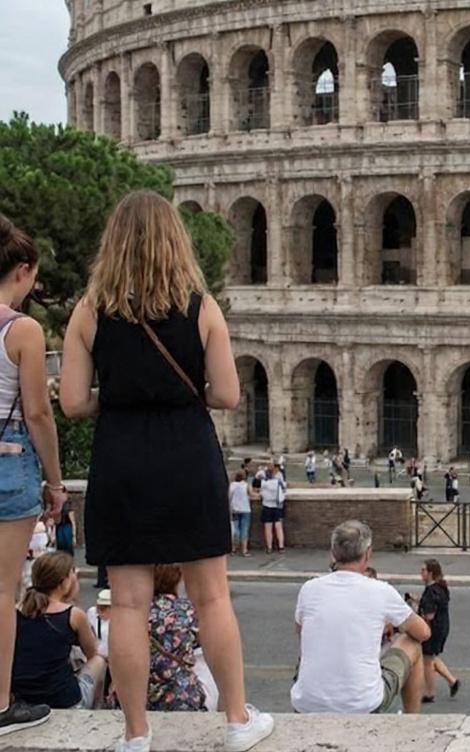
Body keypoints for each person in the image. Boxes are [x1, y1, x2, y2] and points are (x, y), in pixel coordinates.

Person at [58, 191, 273, 752]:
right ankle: (235, 720)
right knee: (212, 598)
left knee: (127, 604)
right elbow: (226, 394)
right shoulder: (202, 307)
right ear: (175, 242)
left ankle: (135, 734)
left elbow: (75, 401)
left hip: (122, 456)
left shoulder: (88, 309)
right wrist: (174, 393)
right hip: (187, 453)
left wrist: (125, 396)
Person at [0, 214, 65, 735]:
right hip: (8, 460)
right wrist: (55, 480)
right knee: (2, 590)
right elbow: (40, 413)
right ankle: (1, 704)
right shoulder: (20, 328)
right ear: (21, 270)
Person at [292, 520, 430, 714]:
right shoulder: (381, 591)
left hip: (307, 702)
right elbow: (423, 633)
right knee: (412, 643)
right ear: (367, 555)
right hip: (362, 703)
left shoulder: (309, 589)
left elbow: (300, 631)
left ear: (333, 553)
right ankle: (411, 721)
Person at [13, 552, 106, 711]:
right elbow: (91, 653)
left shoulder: (17, 611)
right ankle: (97, 709)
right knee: (99, 661)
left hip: (21, 695)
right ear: (64, 582)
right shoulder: (73, 614)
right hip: (63, 699)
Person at [144, 564, 206, 711]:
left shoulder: (138, 611)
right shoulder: (187, 609)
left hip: (140, 696)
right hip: (182, 695)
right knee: (205, 656)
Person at [414, 559, 461, 703]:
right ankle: (452, 681)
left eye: (423, 570)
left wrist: (418, 620)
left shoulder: (430, 591)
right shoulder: (441, 587)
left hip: (432, 629)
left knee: (427, 660)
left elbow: (429, 615)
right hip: (442, 626)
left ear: (430, 573)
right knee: (431, 657)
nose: (421, 573)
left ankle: (430, 692)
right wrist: (417, 600)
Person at [259, 464, 287, 553]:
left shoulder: (264, 483)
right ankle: (281, 546)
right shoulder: (278, 482)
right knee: (278, 527)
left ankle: (269, 547)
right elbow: (284, 489)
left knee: (268, 527)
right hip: (277, 506)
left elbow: (261, 493)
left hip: (267, 506)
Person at [228, 471, 252, 557]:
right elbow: (251, 494)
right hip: (245, 509)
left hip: (234, 509)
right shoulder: (246, 485)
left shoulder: (232, 485)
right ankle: (244, 550)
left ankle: (233, 548)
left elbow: (228, 497)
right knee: (244, 530)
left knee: (235, 530)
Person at [87, 588, 114, 659]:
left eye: (103, 609)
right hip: (95, 656)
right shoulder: (91, 612)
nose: (99, 611)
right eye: (98, 608)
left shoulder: (120, 620)